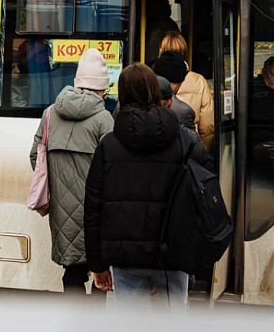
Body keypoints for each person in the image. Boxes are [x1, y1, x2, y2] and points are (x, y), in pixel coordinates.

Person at [84, 63, 214, 314]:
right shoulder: (185, 140)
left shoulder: (108, 145)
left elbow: (93, 208)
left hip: (125, 257)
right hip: (172, 253)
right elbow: (207, 189)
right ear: (157, 93)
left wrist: (97, 264)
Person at [30, 49, 114, 295]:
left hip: (61, 212)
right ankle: (93, 329)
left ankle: (75, 325)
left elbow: (35, 156)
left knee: (73, 272)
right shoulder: (104, 119)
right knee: (101, 273)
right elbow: (112, 169)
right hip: (95, 213)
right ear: (101, 88)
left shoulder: (49, 114)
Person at [152, 34, 214, 150]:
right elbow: (207, 127)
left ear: (161, 51)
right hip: (189, 148)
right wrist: (200, 153)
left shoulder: (150, 79)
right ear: (184, 52)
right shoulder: (198, 81)